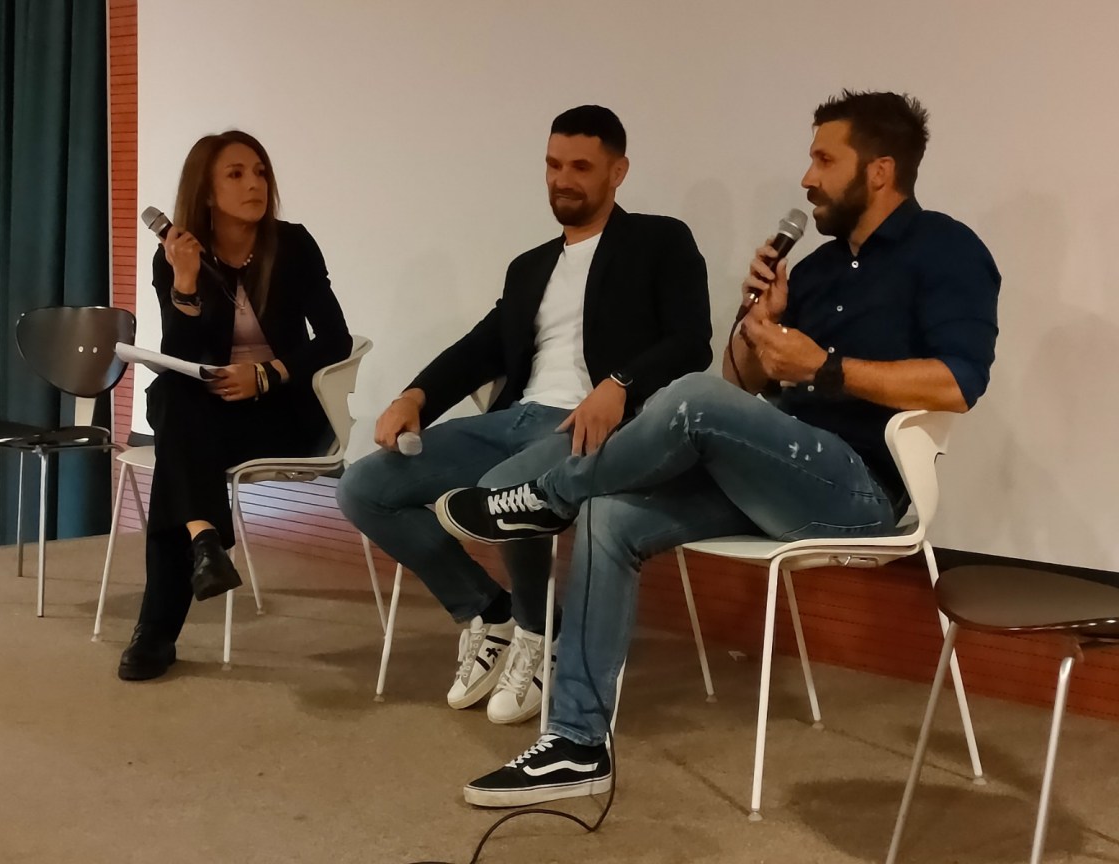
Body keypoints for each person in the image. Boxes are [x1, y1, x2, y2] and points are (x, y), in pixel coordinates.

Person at [436, 90, 1001, 806]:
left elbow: (959, 383)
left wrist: (826, 368)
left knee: (691, 396)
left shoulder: (947, 251)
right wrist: (757, 324)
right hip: (775, 475)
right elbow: (746, 384)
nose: (807, 178)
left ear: (880, 170)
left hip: (863, 490)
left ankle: (547, 497)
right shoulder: (817, 270)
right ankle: (577, 744)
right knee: (611, 515)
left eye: (824, 160)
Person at [337, 105, 712, 725]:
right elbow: (482, 345)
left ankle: (540, 635)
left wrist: (619, 384)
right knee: (364, 487)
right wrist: (415, 396)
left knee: (503, 489)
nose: (562, 179)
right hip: (513, 421)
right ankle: (488, 612)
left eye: (581, 167)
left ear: (618, 171)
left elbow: (691, 341)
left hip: (598, 429)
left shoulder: (659, 241)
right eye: (553, 165)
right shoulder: (530, 266)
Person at [118, 130, 352, 681]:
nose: (255, 184)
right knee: (173, 397)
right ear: (205, 191)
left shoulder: (292, 245)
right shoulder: (176, 256)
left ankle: (160, 623)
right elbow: (180, 356)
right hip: (210, 414)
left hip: (286, 412)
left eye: (260, 172)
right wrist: (185, 282)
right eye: (237, 174)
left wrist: (268, 374)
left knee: (177, 459)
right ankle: (204, 543)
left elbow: (335, 339)